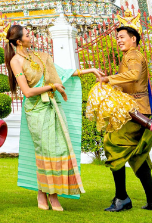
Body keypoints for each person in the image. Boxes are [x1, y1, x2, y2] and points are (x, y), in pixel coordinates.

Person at [5, 25, 99, 211]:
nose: (31, 35)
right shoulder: (16, 61)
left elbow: (62, 74)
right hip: (36, 111)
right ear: (18, 41)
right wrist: (51, 88)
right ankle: (47, 194)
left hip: (52, 107)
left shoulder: (40, 56)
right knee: (45, 152)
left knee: (58, 151)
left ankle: (49, 193)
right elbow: (28, 91)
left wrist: (90, 70)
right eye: (27, 33)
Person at [99, 25, 152, 212]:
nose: (118, 40)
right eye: (117, 38)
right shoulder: (133, 55)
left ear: (133, 39)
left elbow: (134, 75)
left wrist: (109, 79)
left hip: (135, 112)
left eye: (122, 37)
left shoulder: (132, 55)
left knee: (112, 145)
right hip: (142, 111)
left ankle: (121, 198)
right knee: (139, 155)